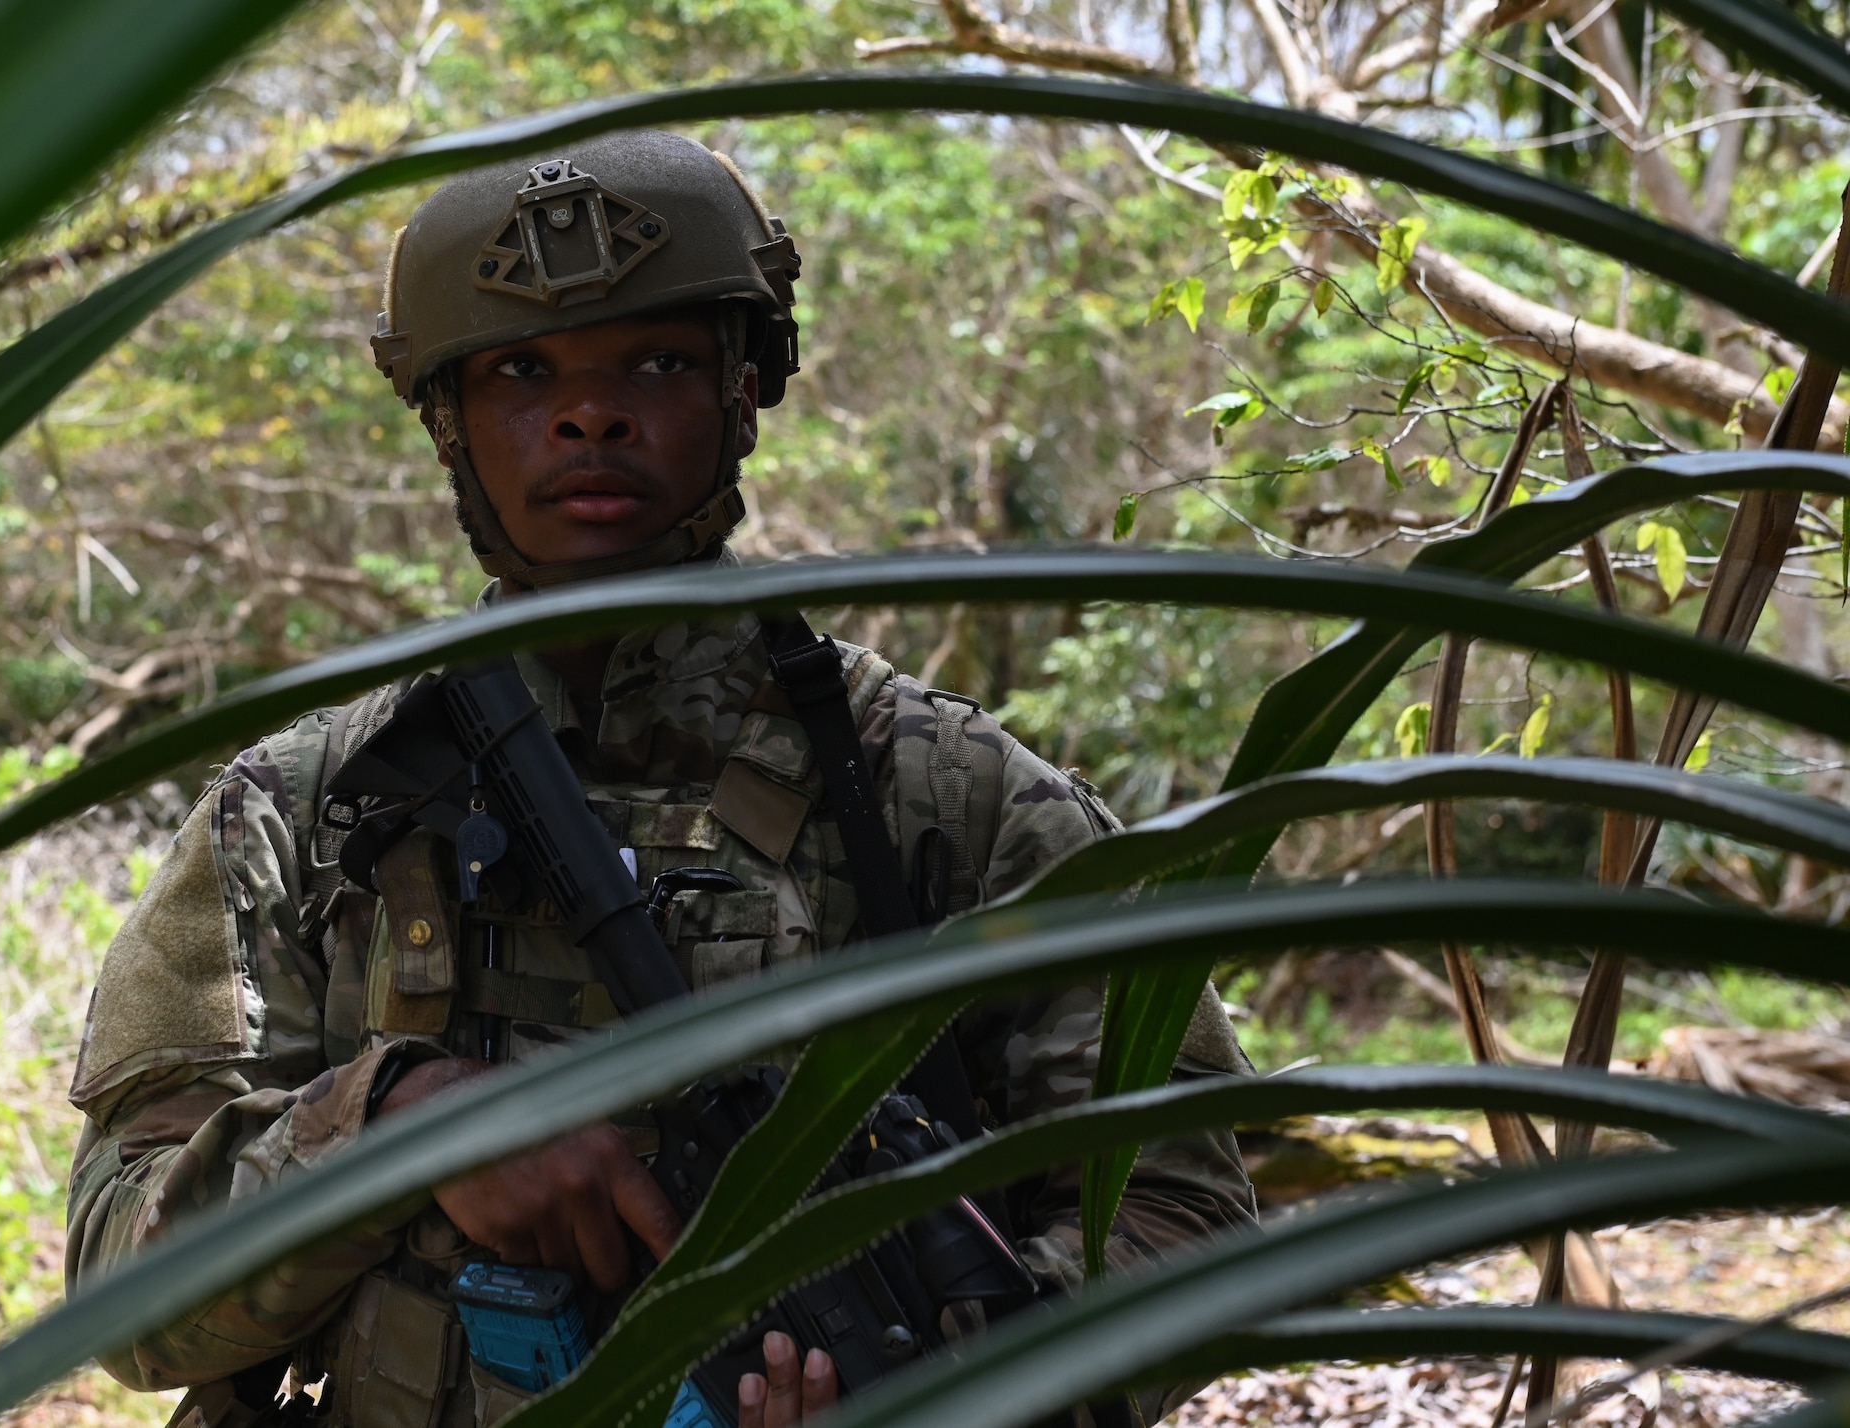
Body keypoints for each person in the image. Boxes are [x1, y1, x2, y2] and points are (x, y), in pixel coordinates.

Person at [63, 130, 1257, 1428]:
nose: (592, 412)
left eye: (659, 360)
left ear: (746, 392)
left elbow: (1180, 1218)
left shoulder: (959, 803)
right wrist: (391, 1126)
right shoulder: (304, 814)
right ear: (450, 425)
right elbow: (122, 1287)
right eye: (524, 371)